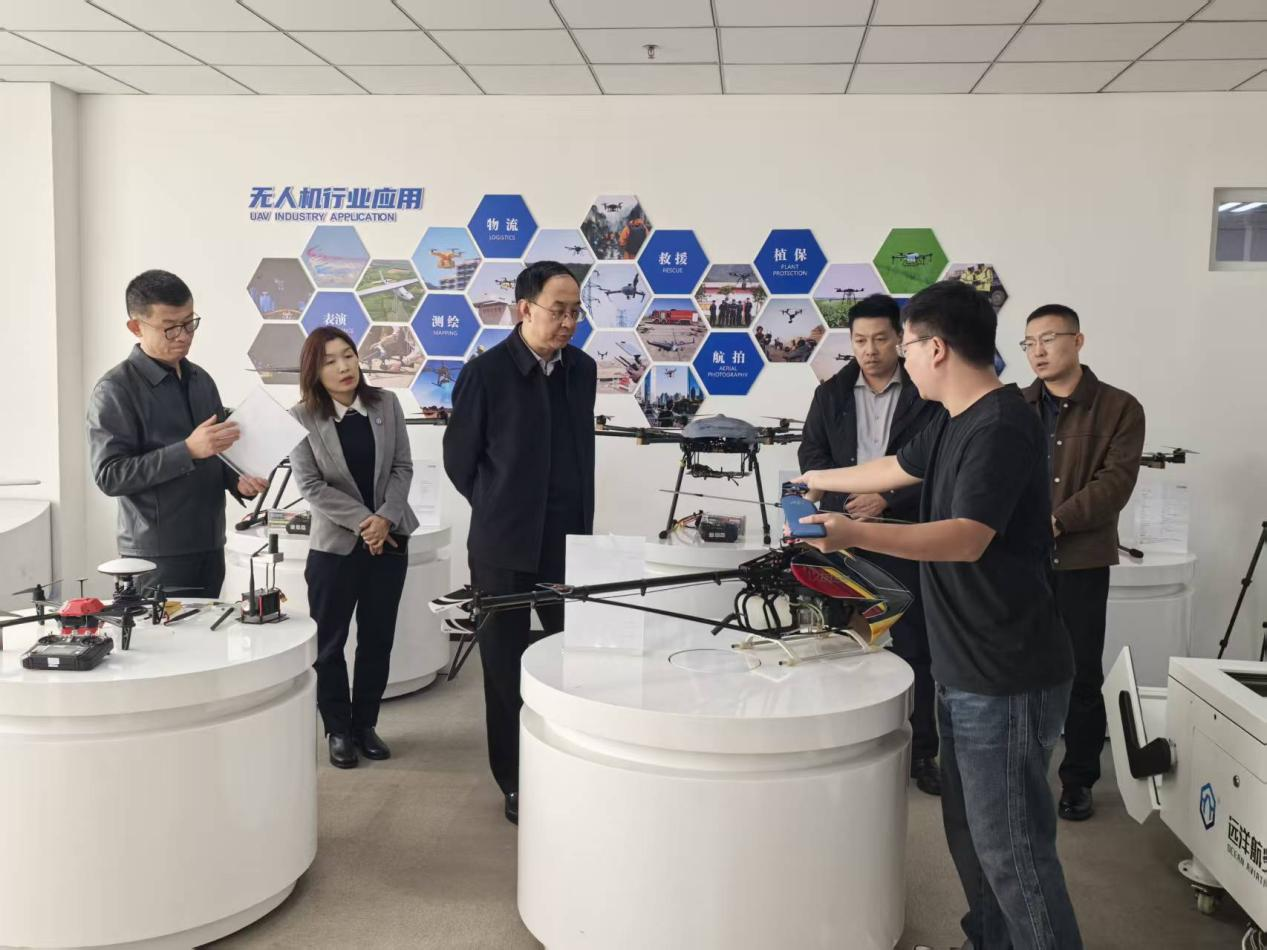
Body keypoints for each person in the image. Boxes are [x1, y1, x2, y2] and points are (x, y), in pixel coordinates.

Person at [796, 280, 1082, 950]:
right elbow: (894, 468)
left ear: (936, 348)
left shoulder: (1000, 425)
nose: (898, 356)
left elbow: (965, 538)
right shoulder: (952, 418)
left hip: (1004, 673)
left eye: (905, 345)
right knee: (971, 838)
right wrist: (817, 481)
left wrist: (853, 534)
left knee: (1012, 851)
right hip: (965, 666)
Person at [444, 260, 597, 826]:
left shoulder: (582, 370)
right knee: (504, 670)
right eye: (559, 310)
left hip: (566, 546)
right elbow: (460, 461)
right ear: (524, 309)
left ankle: (569, 765)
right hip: (502, 548)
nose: (569, 322)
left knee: (570, 662)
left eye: (576, 311)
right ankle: (515, 781)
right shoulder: (485, 374)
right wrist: (499, 505)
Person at [798, 293, 943, 796]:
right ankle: (838, 743)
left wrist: (886, 497)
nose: (870, 349)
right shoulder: (831, 393)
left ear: (900, 340)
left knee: (915, 645)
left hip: (903, 533)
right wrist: (845, 500)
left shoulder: (925, 392)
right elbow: (812, 454)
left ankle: (922, 751)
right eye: (860, 340)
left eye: (881, 339)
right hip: (840, 533)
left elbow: (937, 463)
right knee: (835, 639)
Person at [1021, 304, 1145, 822]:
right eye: (1029, 343)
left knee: (1080, 673)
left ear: (1078, 340)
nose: (1038, 351)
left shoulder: (1119, 407)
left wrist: (1057, 520)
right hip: (1020, 561)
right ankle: (1023, 774)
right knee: (1020, 671)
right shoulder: (1014, 406)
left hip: (1081, 560)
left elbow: (1115, 483)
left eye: (1048, 338)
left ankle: (1078, 780)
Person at [87, 270, 268, 597]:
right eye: (170, 327)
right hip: (156, 555)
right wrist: (187, 450)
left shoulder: (202, 380)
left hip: (210, 543)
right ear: (136, 327)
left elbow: (216, 450)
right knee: (161, 632)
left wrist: (237, 480)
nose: (183, 336)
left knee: (212, 630)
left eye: (189, 323)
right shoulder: (115, 389)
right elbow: (110, 476)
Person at [288, 326, 417, 769]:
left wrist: (385, 519)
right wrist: (367, 522)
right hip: (335, 548)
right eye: (330, 361)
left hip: (390, 541)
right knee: (330, 643)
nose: (344, 367)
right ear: (314, 370)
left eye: (348, 355)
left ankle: (365, 725)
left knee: (377, 640)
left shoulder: (386, 404)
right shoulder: (301, 418)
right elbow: (311, 486)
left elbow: (402, 467)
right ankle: (337, 729)